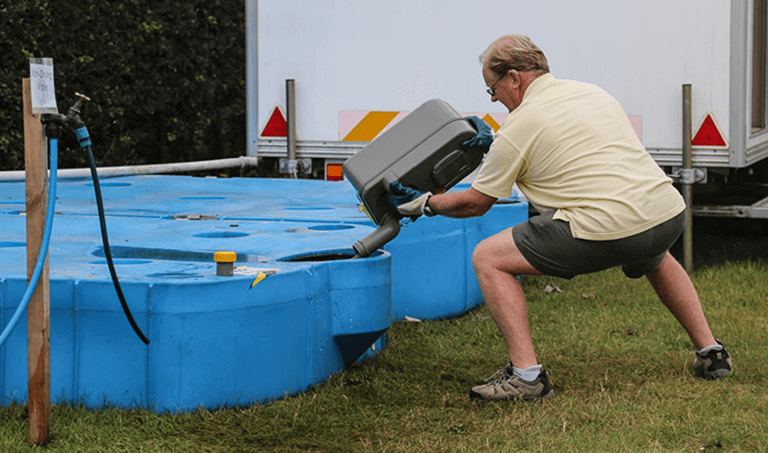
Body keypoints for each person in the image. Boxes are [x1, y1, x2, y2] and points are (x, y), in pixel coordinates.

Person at [387, 34, 732, 402]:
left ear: (515, 78)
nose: (495, 99)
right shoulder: (590, 93)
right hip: (665, 215)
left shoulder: (519, 128)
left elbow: (475, 203)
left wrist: (425, 203)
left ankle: (527, 378)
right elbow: (565, 145)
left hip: (609, 229)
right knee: (652, 253)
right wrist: (497, 144)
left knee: (488, 257)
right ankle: (711, 353)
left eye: (493, 90)